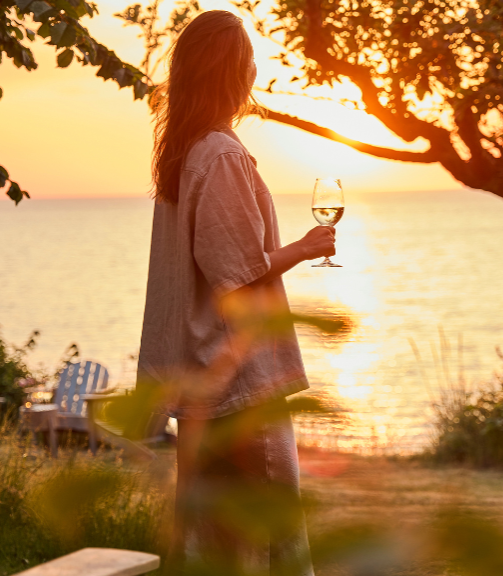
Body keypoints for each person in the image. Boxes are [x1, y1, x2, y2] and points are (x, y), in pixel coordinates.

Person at [136, 10, 336, 576]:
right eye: (248, 60)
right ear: (234, 73)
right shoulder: (220, 155)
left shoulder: (186, 153)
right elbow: (238, 274)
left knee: (210, 545)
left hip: (204, 380)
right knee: (277, 546)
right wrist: (302, 247)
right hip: (239, 380)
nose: (254, 69)